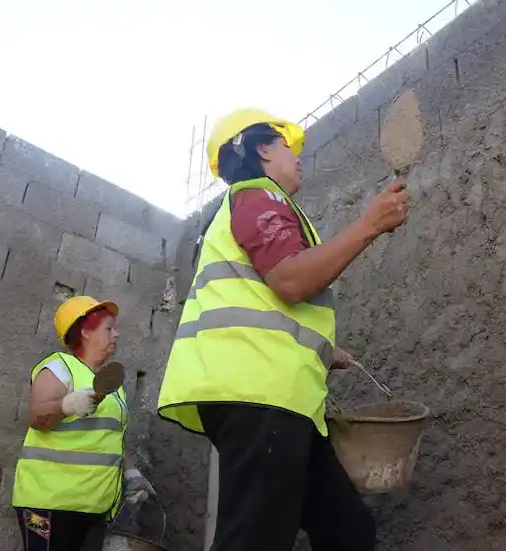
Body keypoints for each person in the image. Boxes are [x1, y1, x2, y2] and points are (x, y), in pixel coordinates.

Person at [157, 107, 410, 551]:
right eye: (288, 146)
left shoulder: (256, 207)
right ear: (261, 148)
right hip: (261, 396)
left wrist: (322, 350)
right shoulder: (258, 195)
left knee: (349, 532)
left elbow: (262, 301)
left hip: (280, 399)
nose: (298, 158)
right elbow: (291, 280)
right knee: (255, 539)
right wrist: (370, 224)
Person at [12, 296, 157, 551]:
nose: (117, 334)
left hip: (94, 506)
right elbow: (36, 417)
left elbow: (112, 437)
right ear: (86, 332)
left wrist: (131, 473)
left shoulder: (112, 386)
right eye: (109, 328)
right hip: (48, 504)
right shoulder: (60, 367)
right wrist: (66, 406)